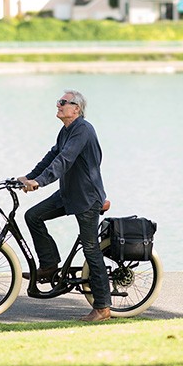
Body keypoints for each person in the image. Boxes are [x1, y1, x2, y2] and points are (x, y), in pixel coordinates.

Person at [17, 89, 112, 322]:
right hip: (68, 193)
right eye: (58, 102)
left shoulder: (83, 130)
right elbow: (52, 156)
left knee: (91, 249)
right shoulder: (66, 131)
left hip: (87, 198)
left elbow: (65, 160)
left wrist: (39, 182)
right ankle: (49, 266)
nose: (58, 105)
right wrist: (28, 176)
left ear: (76, 109)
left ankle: (103, 308)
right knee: (33, 216)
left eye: (63, 102)